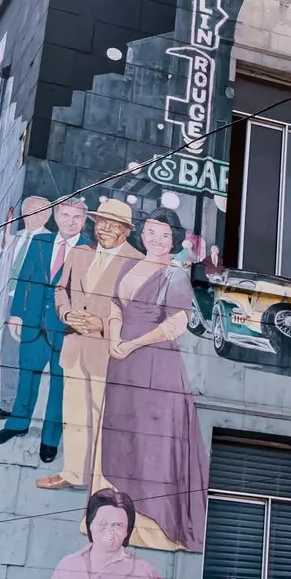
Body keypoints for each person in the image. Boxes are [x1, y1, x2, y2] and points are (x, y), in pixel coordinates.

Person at [99, 213, 206, 551]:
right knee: (123, 426)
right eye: (151, 232)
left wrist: (132, 343)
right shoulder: (129, 266)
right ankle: (123, 506)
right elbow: (116, 305)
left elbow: (177, 324)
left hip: (155, 361)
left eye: (163, 235)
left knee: (153, 434)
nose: (156, 239)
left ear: (173, 240)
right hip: (122, 362)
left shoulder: (175, 275)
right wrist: (115, 338)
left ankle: (155, 516)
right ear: (143, 233)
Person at [40, 199, 138, 492]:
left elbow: (141, 312)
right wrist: (67, 313)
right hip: (74, 346)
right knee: (74, 414)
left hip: (107, 352)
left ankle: (104, 479)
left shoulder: (137, 263)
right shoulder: (81, 253)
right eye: (101, 222)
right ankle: (74, 473)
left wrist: (103, 325)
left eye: (113, 223)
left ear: (126, 230)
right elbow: (61, 289)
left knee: (106, 417)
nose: (105, 228)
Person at [0, 196, 64, 462]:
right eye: (31, 211)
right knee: (14, 359)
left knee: (57, 377)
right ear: (23, 214)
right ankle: (12, 411)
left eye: (42, 212)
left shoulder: (54, 241)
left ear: (49, 216)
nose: (36, 215)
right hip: (15, 302)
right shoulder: (12, 239)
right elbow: (17, 275)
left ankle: (50, 439)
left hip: (53, 314)